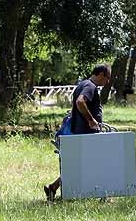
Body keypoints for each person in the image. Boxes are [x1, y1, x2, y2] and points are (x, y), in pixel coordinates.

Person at [43, 64, 111, 201]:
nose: (107, 82)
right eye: (107, 78)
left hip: (80, 132)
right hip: (87, 134)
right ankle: (105, 195)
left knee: (80, 165)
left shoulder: (82, 84)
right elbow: (80, 102)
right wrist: (91, 120)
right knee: (100, 162)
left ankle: (53, 187)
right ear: (102, 74)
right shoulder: (90, 87)